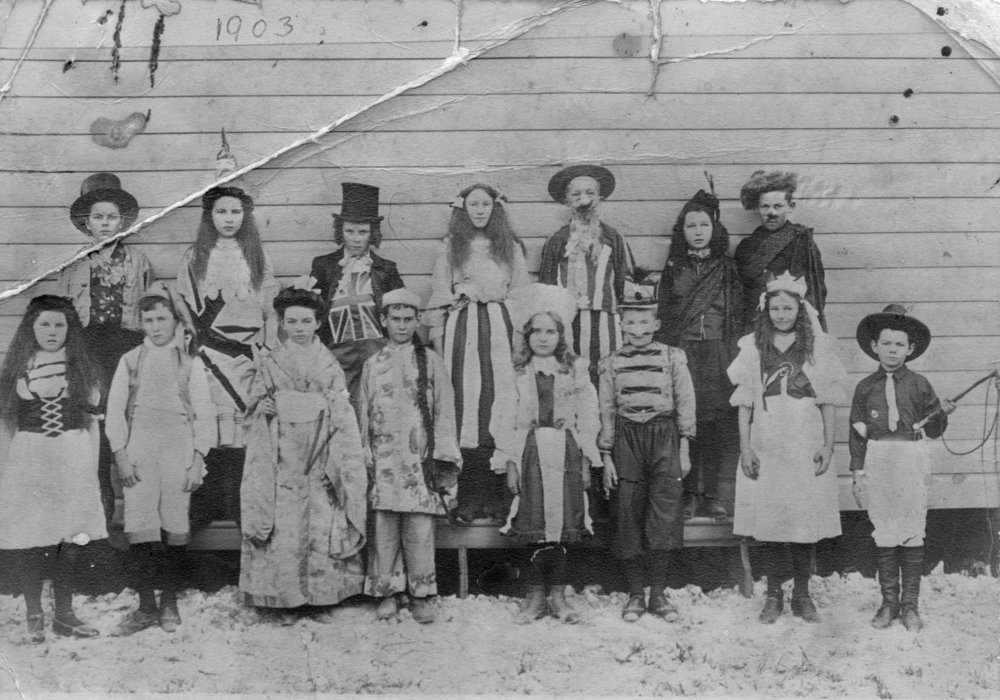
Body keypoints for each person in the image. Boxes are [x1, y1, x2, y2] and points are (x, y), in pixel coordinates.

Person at [240, 288, 368, 624]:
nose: (299, 328)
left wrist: (334, 447)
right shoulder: (270, 362)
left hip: (321, 452)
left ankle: (320, 598)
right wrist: (264, 408)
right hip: (282, 454)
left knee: (320, 522)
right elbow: (253, 407)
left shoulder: (328, 363)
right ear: (282, 323)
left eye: (306, 321)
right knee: (283, 524)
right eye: (292, 321)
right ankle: (285, 600)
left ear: (318, 323)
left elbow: (342, 410)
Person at [727, 272, 845, 624]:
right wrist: (746, 449)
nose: (781, 315)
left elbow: (828, 402)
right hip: (767, 442)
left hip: (804, 440)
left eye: (788, 308)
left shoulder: (816, 347)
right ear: (767, 311)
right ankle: (774, 594)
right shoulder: (754, 348)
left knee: (803, 518)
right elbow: (745, 404)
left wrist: (828, 445)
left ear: (800, 310)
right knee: (772, 520)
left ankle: (803, 594)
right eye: (775, 309)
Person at [105, 288, 215, 635]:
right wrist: (121, 456)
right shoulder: (130, 360)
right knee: (140, 521)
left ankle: (168, 600)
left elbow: (204, 414)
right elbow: (115, 413)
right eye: (149, 320)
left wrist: (197, 460)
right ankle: (145, 606)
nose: (155, 327)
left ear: (176, 322)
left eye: (162, 319)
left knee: (174, 520)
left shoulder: (190, 363)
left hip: (177, 445)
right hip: (140, 445)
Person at [0, 295, 106, 643]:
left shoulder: (81, 369)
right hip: (30, 457)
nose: (52, 331)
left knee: (71, 534)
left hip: (72, 454)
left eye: (59, 325)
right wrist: (5, 469)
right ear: (31, 328)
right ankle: (34, 611)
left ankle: (64, 613)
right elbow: (6, 425)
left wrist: (90, 469)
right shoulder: (18, 369)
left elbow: (91, 424)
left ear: (69, 329)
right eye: (44, 324)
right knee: (32, 534)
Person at [425, 184, 530, 524]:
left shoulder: (509, 246)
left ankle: (498, 497)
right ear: (463, 209)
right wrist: (439, 346)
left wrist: (520, 341)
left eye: (486, 204)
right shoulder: (450, 246)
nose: (480, 210)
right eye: (474, 204)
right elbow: (440, 294)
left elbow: (521, 296)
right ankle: (469, 497)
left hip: (499, 329)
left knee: (497, 404)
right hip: (463, 331)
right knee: (465, 407)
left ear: (495, 208)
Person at [177, 186, 279, 526]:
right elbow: (187, 310)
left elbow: (268, 310)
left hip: (247, 356)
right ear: (210, 216)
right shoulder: (195, 257)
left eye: (236, 212)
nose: (229, 219)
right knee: (211, 426)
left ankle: (238, 506)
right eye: (221, 212)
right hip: (209, 353)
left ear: (245, 216)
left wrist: (266, 346)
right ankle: (207, 505)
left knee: (242, 431)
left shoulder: (257, 256)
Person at [850, 304, 955, 632]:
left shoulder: (920, 384)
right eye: (886, 343)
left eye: (899, 344)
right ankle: (889, 603)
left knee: (911, 530)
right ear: (874, 346)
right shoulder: (865, 387)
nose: (892, 350)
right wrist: (857, 474)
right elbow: (856, 436)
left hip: (911, 460)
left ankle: (910, 605)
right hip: (879, 460)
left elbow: (934, 430)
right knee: (884, 530)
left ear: (910, 349)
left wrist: (942, 413)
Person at [359, 288, 461, 624]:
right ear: (384, 321)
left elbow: (445, 410)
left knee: (419, 526)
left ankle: (421, 593)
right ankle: (388, 592)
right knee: (384, 525)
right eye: (395, 319)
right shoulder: (373, 364)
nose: (401, 326)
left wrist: (443, 457)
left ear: (418, 321)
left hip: (420, 460)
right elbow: (363, 412)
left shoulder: (431, 361)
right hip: (385, 459)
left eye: (408, 319)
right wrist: (366, 454)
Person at [500, 284, 600, 624]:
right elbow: (503, 418)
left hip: (565, 451)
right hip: (528, 453)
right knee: (534, 521)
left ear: (561, 335)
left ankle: (558, 595)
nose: (543, 338)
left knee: (562, 523)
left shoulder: (574, 370)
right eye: (537, 332)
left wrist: (585, 459)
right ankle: (534, 596)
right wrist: (509, 461)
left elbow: (588, 415)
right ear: (527, 336)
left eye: (550, 331)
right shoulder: (516, 372)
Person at [61, 172, 154, 522]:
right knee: (95, 429)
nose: (104, 223)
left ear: (122, 221)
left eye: (111, 217)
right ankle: (98, 521)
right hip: (88, 350)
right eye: (98, 217)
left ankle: (142, 523)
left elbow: (150, 311)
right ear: (87, 223)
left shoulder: (138, 262)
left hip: (127, 348)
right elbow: (64, 313)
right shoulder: (74, 263)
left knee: (130, 425)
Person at [598, 294, 695, 622]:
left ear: (656, 324)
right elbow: (606, 409)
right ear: (621, 325)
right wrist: (606, 455)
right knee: (627, 512)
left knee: (663, 513)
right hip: (626, 438)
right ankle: (636, 593)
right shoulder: (610, 363)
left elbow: (686, 403)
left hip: (664, 436)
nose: (637, 329)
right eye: (630, 322)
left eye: (644, 322)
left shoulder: (672, 357)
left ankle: (658, 593)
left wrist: (684, 448)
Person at [656, 189, 743, 520]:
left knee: (717, 423)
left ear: (714, 228)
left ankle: (713, 495)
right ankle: (690, 494)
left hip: (719, 352)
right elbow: (665, 313)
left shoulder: (727, 268)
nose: (697, 231)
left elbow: (737, 312)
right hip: (685, 352)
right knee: (687, 420)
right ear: (682, 231)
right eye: (690, 225)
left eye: (704, 225)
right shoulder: (675, 268)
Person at [307, 182, 404, 407]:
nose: (356, 239)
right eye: (350, 231)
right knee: (340, 401)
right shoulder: (324, 265)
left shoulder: (385, 268)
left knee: (377, 401)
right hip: (337, 347)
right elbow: (313, 308)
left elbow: (400, 308)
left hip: (376, 346)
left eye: (363, 232)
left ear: (372, 234)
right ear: (340, 231)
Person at [538, 164, 634, 388]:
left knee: (607, 376)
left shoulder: (613, 238)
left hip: (606, 320)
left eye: (590, 193)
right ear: (567, 201)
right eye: (576, 195)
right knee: (571, 376)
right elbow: (546, 284)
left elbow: (625, 280)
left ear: (600, 198)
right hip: (568, 322)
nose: (584, 200)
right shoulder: (558, 240)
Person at [734, 170, 827, 331]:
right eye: (765, 206)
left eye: (778, 206)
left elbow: (816, 291)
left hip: (793, 326)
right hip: (757, 327)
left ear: (790, 207)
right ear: (756, 209)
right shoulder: (746, 247)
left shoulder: (801, 242)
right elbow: (740, 295)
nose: (772, 213)